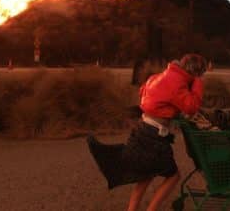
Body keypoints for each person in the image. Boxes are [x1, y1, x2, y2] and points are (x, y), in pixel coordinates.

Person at [87, 53, 207, 211]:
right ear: (195, 72)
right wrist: (198, 84)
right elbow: (191, 107)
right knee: (173, 176)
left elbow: (143, 92)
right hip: (155, 135)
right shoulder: (177, 82)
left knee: (146, 173)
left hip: (143, 128)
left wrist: (167, 109)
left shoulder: (159, 76)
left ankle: (132, 209)